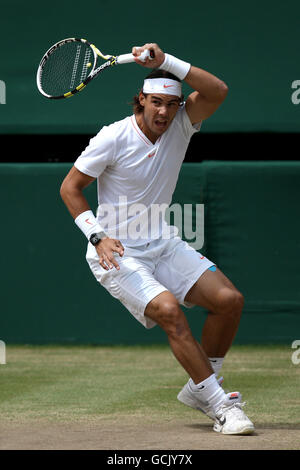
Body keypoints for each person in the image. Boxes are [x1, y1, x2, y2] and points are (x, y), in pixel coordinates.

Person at [60, 43, 254, 435]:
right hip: (117, 253)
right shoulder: (112, 137)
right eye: (155, 103)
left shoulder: (183, 123)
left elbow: (218, 91)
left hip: (162, 244)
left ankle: (204, 385)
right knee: (168, 311)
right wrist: (96, 236)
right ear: (141, 102)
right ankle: (220, 405)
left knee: (229, 301)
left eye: (170, 103)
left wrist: (167, 62)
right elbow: (70, 188)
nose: (163, 111)